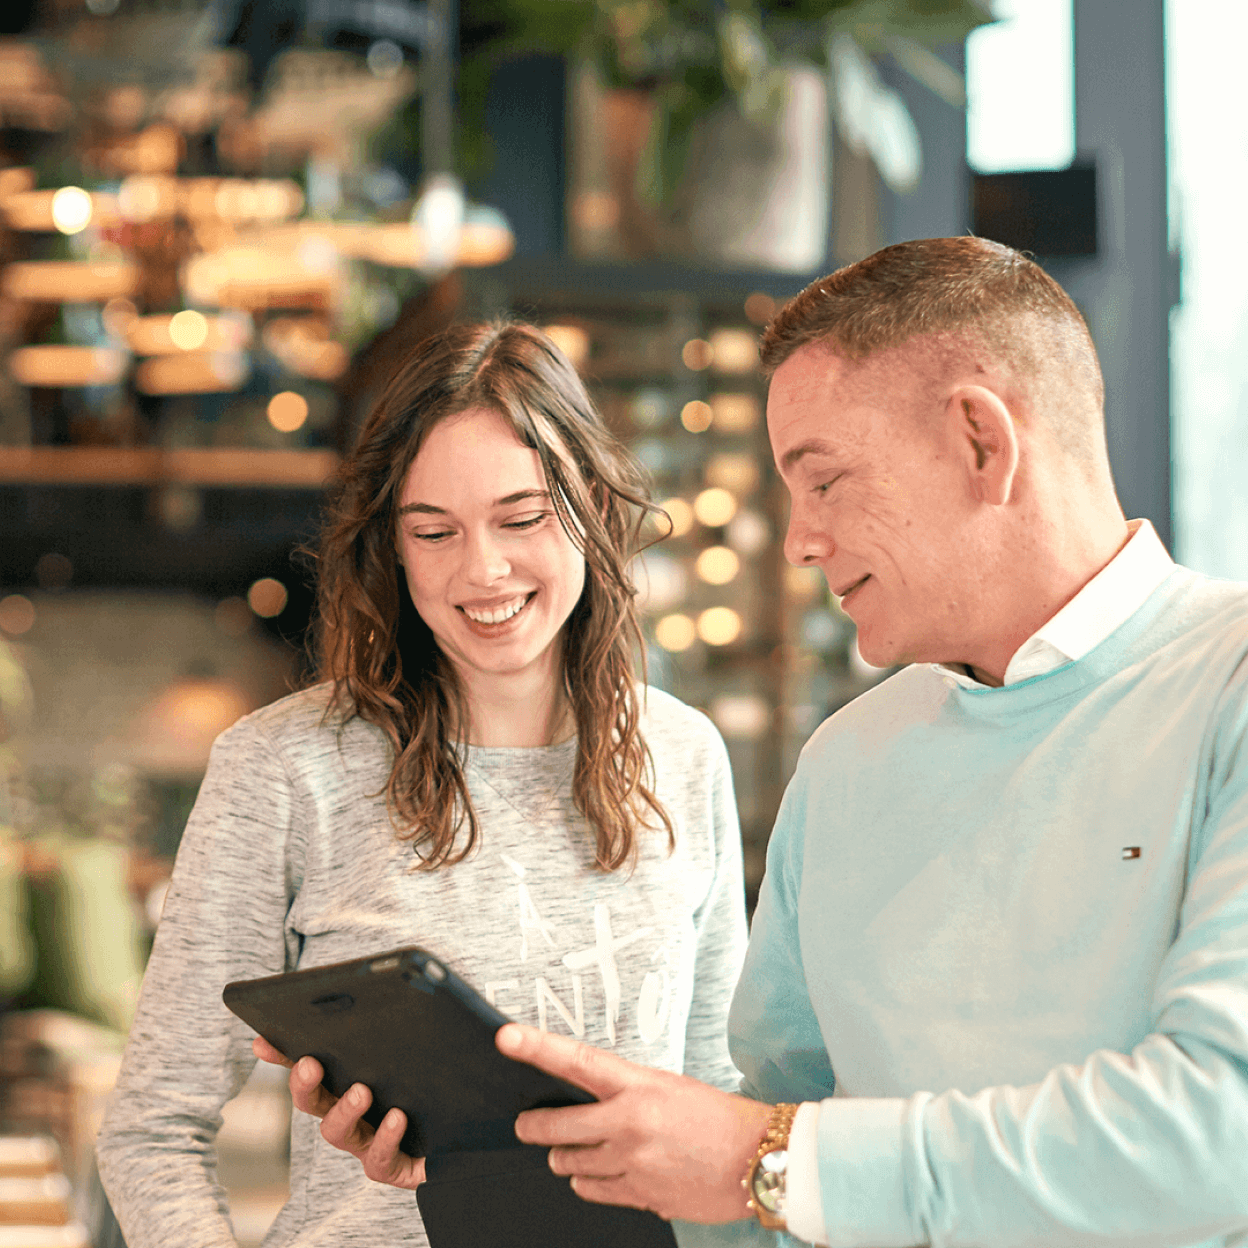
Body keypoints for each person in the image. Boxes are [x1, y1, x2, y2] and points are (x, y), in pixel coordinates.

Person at [296, 237, 1248, 1248]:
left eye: (825, 480)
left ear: (982, 441)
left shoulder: (1224, 688)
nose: (799, 538)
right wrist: (491, 1144)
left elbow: (1216, 1133)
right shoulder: (847, 762)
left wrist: (770, 1159)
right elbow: (757, 1195)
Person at [94, 321, 748, 1248]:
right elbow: (153, 1127)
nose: (482, 570)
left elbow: (716, 1095)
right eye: (434, 531)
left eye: (521, 518)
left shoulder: (683, 754)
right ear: (393, 550)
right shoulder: (285, 768)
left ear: (593, 507)